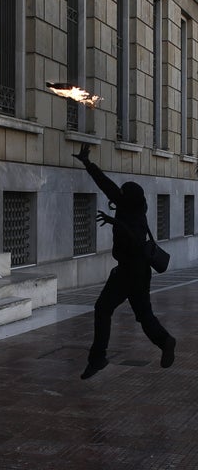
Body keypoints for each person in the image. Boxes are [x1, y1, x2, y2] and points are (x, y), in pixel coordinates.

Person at [73, 143, 176, 379]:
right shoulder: (131, 206)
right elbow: (106, 185)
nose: (118, 192)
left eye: (123, 191)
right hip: (137, 272)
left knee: (102, 308)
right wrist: (88, 164)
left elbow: (136, 242)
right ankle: (165, 341)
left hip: (130, 272)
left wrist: (114, 222)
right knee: (143, 314)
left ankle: (98, 358)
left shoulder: (132, 215)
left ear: (127, 198)